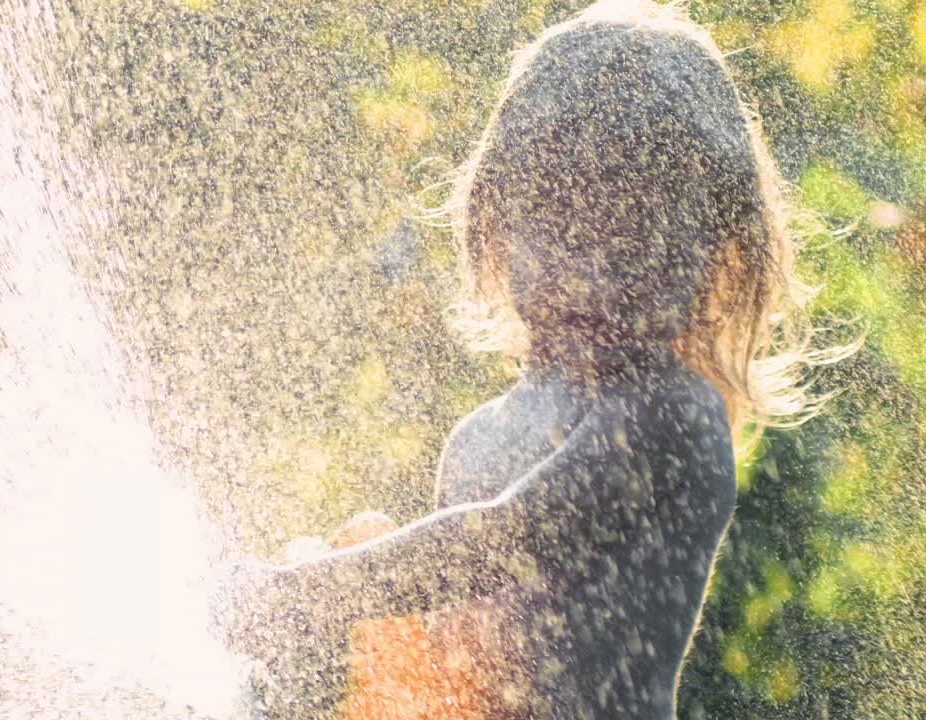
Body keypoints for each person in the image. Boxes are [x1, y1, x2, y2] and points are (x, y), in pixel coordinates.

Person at [215, 1, 848, 717]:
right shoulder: (479, 437)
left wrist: (290, 594)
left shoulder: (672, 416)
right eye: (562, 225)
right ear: (498, 216)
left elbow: (502, 539)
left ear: (715, 249)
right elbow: (456, 670)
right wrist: (329, 625)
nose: (591, 271)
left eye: (636, 239)